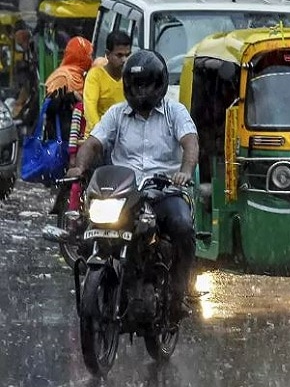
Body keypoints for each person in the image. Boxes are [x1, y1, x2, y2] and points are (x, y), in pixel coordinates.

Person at [66, 50, 199, 321]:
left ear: (159, 84)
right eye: (135, 85)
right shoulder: (116, 114)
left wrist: (185, 171)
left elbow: (190, 143)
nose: (140, 92)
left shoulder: (175, 112)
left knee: (183, 227)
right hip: (126, 194)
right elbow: (93, 143)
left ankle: (178, 293)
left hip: (164, 192)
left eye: (146, 85)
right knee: (90, 228)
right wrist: (79, 167)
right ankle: (113, 282)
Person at [44, 36, 94, 142]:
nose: (90, 59)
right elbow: (49, 106)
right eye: (88, 55)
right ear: (79, 56)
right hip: (62, 136)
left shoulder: (82, 75)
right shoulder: (62, 77)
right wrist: (70, 97)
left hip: (79, 135)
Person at [83, 30, 132, 133]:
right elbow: (90, 110)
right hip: (97, 138)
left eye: (127, 55)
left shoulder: (131, 76)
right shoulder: (95, 76)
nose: (124, 60)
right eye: (119, 55)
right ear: (107, 54)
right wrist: (102, 134)